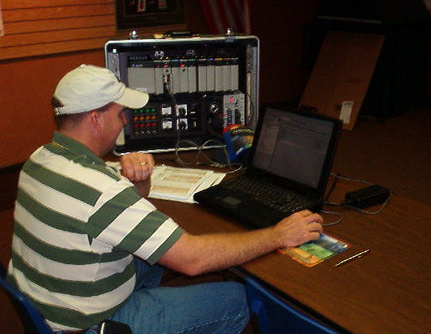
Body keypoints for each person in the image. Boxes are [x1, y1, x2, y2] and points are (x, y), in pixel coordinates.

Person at [8, 64, 324, 334]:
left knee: (155, 261)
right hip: (90, 325)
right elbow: (193, 260)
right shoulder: (100, 189)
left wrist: (140, 185)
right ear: (95, 119)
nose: (125, 123)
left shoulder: (40, 158)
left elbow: (105, 220)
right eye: (120, 114)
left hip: (51, 305)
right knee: (233, 298)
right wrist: (278, 234)